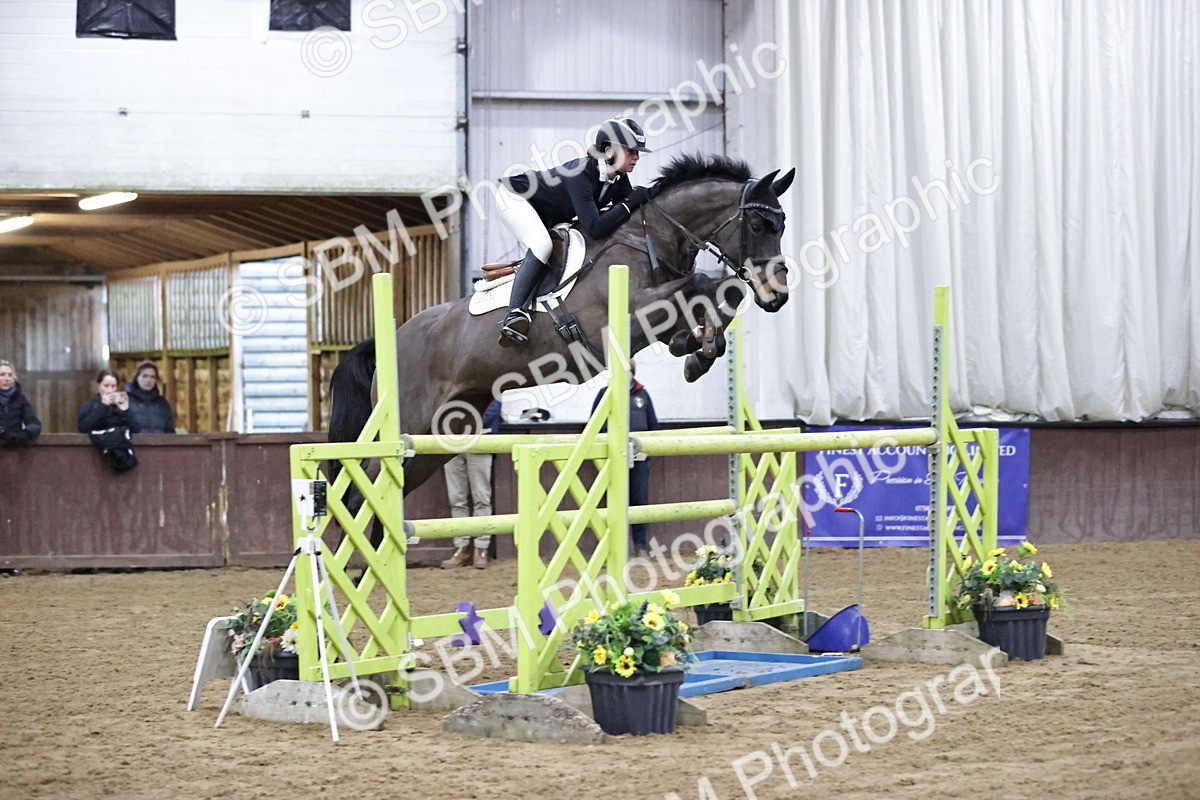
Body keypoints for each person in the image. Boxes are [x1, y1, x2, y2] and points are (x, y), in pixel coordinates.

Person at [496, 116, 653, 346]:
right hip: (514, 197)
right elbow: (596, 227)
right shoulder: (582, 173)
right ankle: (514, 314)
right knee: (542, 245)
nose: (637, 157)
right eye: (631, 151)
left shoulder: (619, 179)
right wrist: (630, 203)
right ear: (608, 150)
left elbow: (623, 218)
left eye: (638, 152)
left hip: (545, 211)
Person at [591, 359, 659, 558]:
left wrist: (647, 452)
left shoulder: (643, 396)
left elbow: (654, 426)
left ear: (633, 373)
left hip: (639, 459)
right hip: (612, 459)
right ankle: (611, 548)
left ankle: (640, 546)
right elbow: (593, 427)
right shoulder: (604, 395)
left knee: (639, 501)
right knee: (612, 503)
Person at [441, 399, 503, 570]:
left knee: (481, 497)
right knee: (457, 498)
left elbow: (493, 408)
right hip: (453, 441)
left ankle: (480, 548)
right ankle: (463, 546)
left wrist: (458, 424)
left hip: (476, 440)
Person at [125, 361, 175, 434]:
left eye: (152, 377)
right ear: (137, 378)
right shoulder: (126, 400)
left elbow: (170, 430)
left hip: (160, 443)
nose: (148, 380)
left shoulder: (162, 403)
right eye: (144, 376)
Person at [0, 359, 42, 446]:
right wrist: (3, 432)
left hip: (16, 448)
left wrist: (26, 433)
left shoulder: (20, 399)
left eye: (10, 375)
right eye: (2, 375)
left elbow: (34, 424)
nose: (7, 379)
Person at [77, 369, 133, 433]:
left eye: (113, 386)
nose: (110, 390)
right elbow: (83, 429)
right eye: (106, 386)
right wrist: (103, 407)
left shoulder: (119, 407)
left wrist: (125, 411)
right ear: (98, 386)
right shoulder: (88, 406)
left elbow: (135, 430)